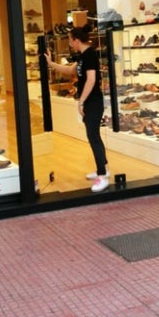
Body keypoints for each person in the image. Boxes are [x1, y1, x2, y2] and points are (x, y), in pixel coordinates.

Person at [44, 25, 109, 193]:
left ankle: (102, 176)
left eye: (71, 40)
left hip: (93, 101)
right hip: (89, 101)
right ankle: (103, 168)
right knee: (94, 136)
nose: (70, 43)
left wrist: (81, 101)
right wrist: (51, 63)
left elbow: (91, 80)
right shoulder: (82, 56)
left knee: (93, 137)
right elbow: (69, 70)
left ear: (77, 40)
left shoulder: (90, 55)